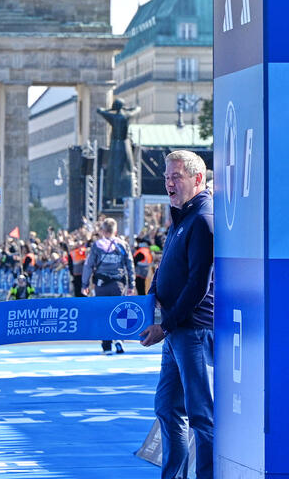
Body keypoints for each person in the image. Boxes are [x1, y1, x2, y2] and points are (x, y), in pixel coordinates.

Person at [140, 150, 214, 479]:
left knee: (200, 415)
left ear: (197, 179)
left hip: (192, 330)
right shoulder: (180, 216)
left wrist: (165, 326)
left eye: (177, 177)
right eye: (167, 177)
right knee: (168, 409)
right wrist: (151, 296)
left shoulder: (203, 219)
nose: (169, 183)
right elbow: (166, 265)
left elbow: (199, 283)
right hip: (174, 331)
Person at [82, 217, 134, 355]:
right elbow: (130, 265)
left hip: (101, 284)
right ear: (115, 230)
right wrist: (132, 284)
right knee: (119, 313)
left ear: (103, 230)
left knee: (103, 313)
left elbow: (88, 265)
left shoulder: (97, 245)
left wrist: (84, 283)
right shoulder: (122, 244)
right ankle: (119, 339)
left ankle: (106, 346)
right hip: (118, 283)